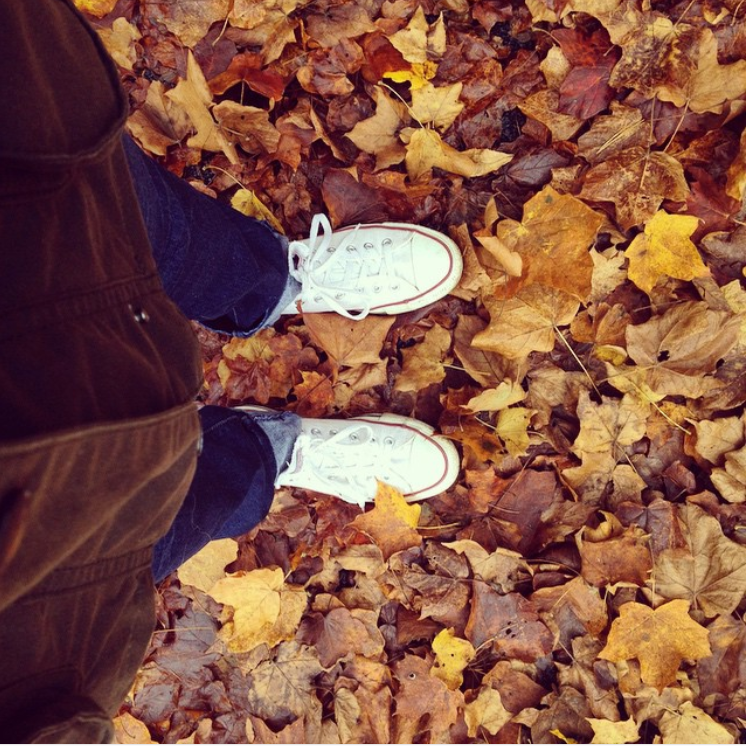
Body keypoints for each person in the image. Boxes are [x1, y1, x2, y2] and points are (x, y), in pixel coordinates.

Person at [0, 1, 462, 741]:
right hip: (36, 624)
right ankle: (273, 447)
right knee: (165, 515)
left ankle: (273, 282)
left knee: (109, 217)